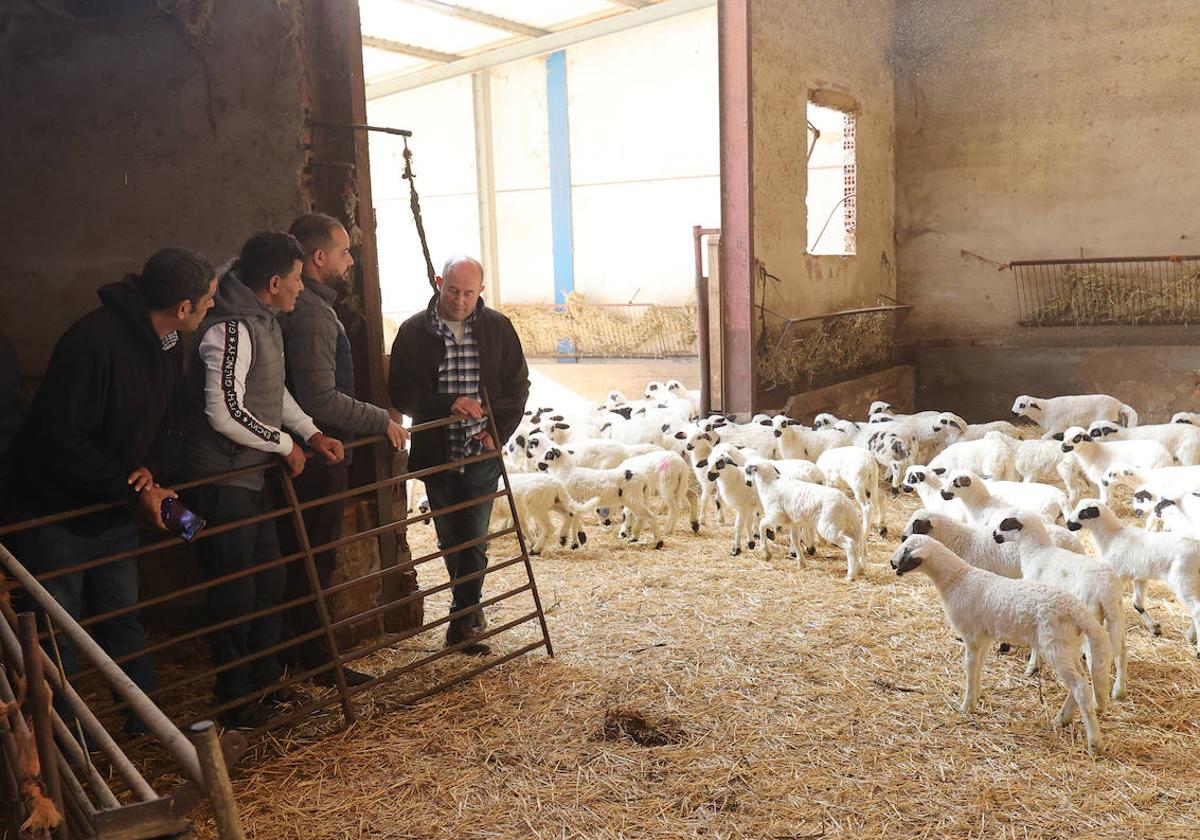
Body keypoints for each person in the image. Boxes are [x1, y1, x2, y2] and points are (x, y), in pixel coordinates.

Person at [6, 248, 217, 732]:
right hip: (58, 514)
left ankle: (147, 730)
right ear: (183, 307)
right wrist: (130, 489)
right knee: (59, 632)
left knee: (122, 621)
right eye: (206, 301)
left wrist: (149, 470)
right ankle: (63, 749)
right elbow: (58, 438)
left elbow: (173, 422)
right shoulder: (93, 342)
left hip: (113, 512)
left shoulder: (167, 344)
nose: (211, 307)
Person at [183, 231, 344, 727]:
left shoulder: (266, 322)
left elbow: (271, 393)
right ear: (274, 283)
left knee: (269, 581)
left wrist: (310, 433)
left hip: (250, 476)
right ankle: (234, 696)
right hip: (222, 479)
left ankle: (264, 681)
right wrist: (283, 444)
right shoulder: (228, 330)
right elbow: (224, 411)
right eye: (296, 281)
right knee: (235, 591)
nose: (301, 289)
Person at [279, 213, 409, 686]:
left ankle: (304, 658)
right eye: (343, 251)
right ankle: (314, 662)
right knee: (315, 561)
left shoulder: (311, 307)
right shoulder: (311, 315)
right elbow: (318, 398)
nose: (350, 260)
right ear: (318, 258)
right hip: (317, 457)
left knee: (306, 560)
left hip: (317, 451)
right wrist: (380, 418)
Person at [389, 255, 528, 655]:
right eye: (453, 290)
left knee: (476, 537)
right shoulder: (414, 331)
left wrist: (496, 432)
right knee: (450, 538)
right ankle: (468, 609)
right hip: (438, 450)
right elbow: (401, 392)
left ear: (481, 291)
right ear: (438, 282)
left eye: (469, 292)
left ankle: (461, 620)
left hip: (480, 450)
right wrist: (447, 404)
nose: (460, 300)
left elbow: (518, 386)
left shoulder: (498, 329)